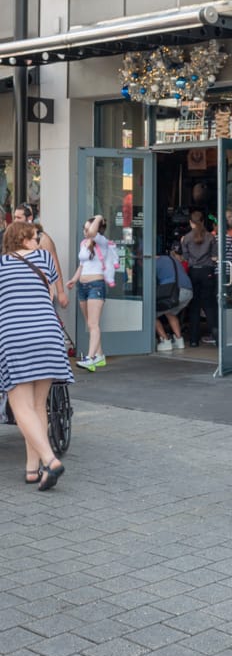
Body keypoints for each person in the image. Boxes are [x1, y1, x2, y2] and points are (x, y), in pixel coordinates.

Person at [0, 221, 72, 490]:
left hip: (15, 336)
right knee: (39, 405)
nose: (39, 240)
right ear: (25, 239)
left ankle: (50, 460)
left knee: (21, 408)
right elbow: (50, 293)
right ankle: (32, 470)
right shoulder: (45, 258)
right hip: (48, 335)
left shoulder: (2, 265)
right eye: (35, 236)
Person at [66, 214, 110, 371]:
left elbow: (93, 232)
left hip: (96, 286)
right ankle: (99, 356)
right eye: (84, 229)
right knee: (90, 324)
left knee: (93, 323)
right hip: (83, 286)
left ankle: (91, 358)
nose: (85, 232)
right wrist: (74, 279)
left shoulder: (102, 242)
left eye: (87, 228)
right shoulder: (84, 243)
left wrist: (98, 217)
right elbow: (82, 265)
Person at [13, 202, 69, 308]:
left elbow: (55, 265)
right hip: (21, 291)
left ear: (29, 218)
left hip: (40, 291)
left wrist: (61, 292)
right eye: (14, 217)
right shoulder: (15, 238)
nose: (15, 221)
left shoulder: (42, 238)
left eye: (18, 217)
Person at [181, 211, 218, 347]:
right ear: (203, 222)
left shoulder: (186, 238)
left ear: (191, 223)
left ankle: (194, 340)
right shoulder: (210, 237)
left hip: (193, 272)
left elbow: (185, 258)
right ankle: (217, 339)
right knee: (209, 306)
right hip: (207, 272)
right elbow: (215, 258)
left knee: (194, 307)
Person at [155, 243, 193, 350]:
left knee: (150, 315)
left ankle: (165, 341)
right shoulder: (173, 260)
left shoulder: (155, 262)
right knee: (170, 312)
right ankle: (179, 341)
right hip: (188, 292)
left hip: (175, 293)